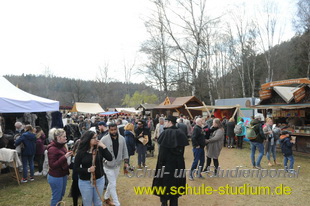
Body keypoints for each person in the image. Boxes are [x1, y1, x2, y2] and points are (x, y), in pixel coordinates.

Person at [152, 115, 189, 206]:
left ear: (170, 122)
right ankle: (173, 202)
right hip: (177, 164)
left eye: (166, 121)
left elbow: (162, 154)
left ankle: (164, 202)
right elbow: (181, 152)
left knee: (164, 183)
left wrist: (160, 165)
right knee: (175, 183)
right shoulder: (180, 133)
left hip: (165, 165)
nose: (164, 123)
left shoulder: (164, 134)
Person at [74, 131, 112, 206]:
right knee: (87, 202)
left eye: (96, 137)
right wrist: (88, 170)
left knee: (98, 202)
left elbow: (109, 158)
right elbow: (76, 168)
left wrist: (103, 146)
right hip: (85, 182)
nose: (96, 139)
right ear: (88, 139)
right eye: (94, 138)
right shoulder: (81, 152)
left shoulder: (99, 149)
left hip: (99, 180)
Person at [100, 123, 129, 206]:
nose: (113, 131)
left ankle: (106, 197)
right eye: (111, 130)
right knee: (113, 184)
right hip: (107, 166)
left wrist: (126, 163)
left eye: (115, 129)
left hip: (117, 165)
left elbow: (125, 151)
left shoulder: (122, 139)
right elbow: (100, 151)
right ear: (109, 130)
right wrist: (104, 160)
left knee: (112, 183)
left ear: (117, 129)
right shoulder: (104, 139)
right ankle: (117, 203)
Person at [47, 128, 72, 206]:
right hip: (56, 176)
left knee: (61, 195)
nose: (66, 138)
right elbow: (53, 165)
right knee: (56, 197)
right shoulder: (52, 149)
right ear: (58, 137)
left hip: (62, 174)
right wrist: (64, 157)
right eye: (64, 136)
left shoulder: (62, 146)